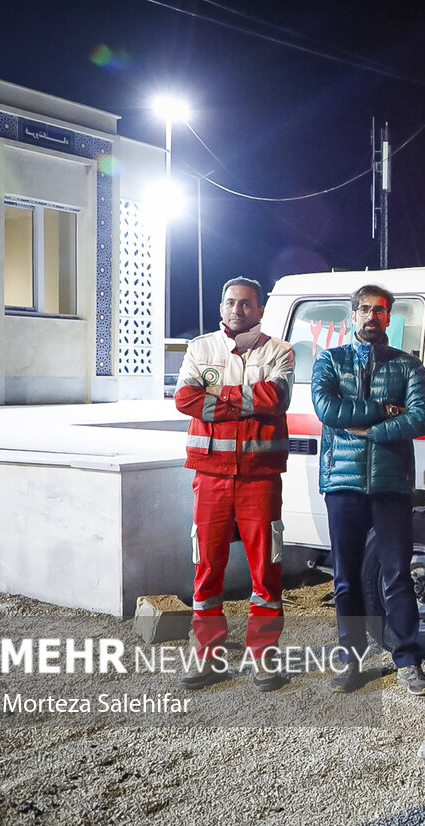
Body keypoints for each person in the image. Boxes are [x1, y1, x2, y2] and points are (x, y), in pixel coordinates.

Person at [312, 284, 425, 696]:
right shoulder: (330, 360)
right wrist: (384, 410)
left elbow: (419, 419)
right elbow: (327, 410)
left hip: (390, 484)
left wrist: (369, 431)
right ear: (353, 316)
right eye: (364, 309)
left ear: (389, 318)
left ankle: (408, 662)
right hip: (342, 482)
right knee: (346, 579)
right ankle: (351, 662)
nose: (371, 316)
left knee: (398, 576)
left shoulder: (408, 366)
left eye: (379, 310)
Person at [175, 276, 294, 692]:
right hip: (209, 477)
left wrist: (216, 396)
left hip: (260, 477)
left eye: (246, 303)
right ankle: (207, 655)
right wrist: (247, 398)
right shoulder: (199, 348)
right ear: (221, 307)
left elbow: (276, 398)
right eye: (230, 302)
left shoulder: (280, 351)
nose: (237, 309)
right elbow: (185, 400)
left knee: (266, 570)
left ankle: (264, 658)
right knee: (206, 569)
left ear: (259, 309)